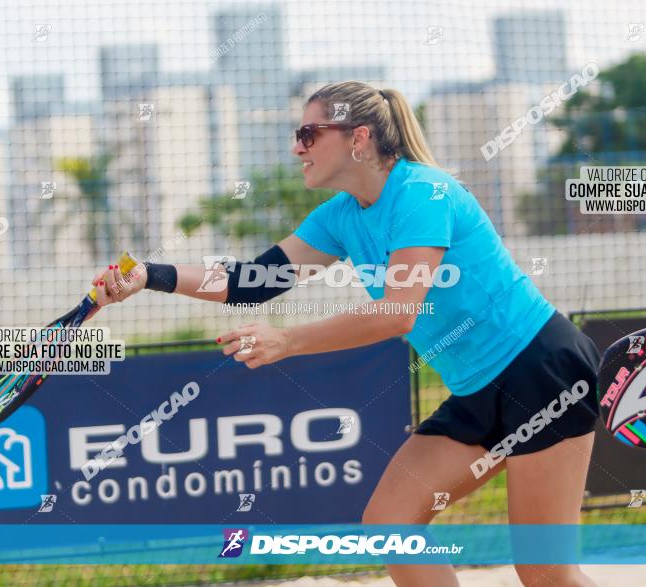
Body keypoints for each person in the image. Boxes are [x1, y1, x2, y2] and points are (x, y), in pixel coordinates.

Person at [91, 81, 601, 587]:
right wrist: (149, 275)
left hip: (540, 372)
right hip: (477, 390)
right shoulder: (338, 217)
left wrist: (288, 341)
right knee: (390, 525)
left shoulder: (424, 192)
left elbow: (399, 312)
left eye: (308, 133)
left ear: (358, 138)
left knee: (544, 573)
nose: (297, 147)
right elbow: (252, 282)